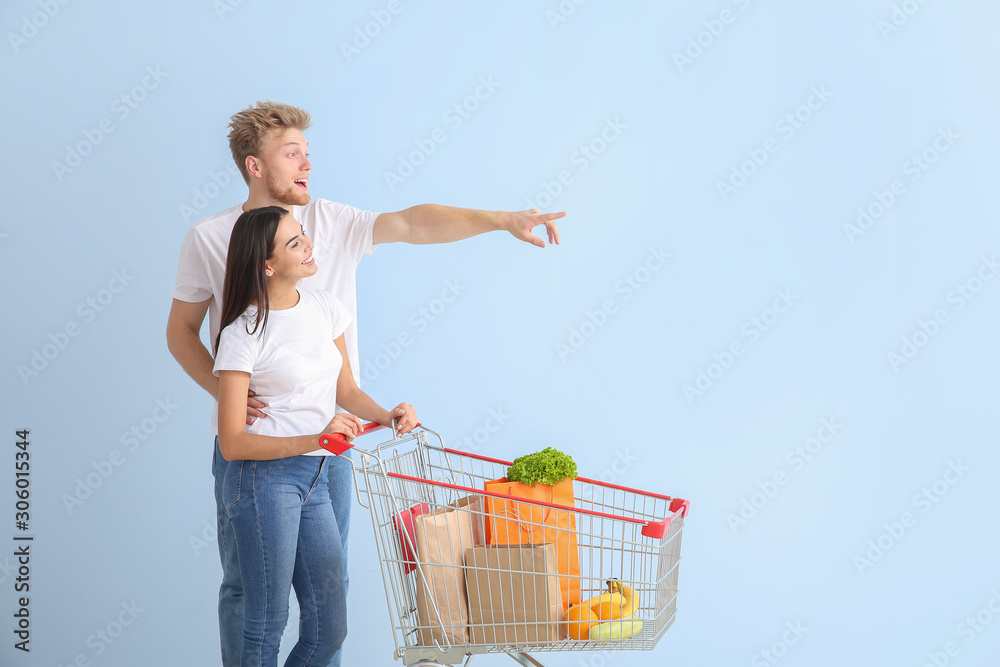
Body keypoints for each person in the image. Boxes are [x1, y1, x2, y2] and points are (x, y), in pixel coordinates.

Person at [166, 100, 565, 667]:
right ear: (255, 166)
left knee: (330, 601)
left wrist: (500, 220)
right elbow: (181, 331)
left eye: (308, 152)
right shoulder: (209, 238)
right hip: (256, 457)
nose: (307, 164)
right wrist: (231, 394)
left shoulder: (329, 225)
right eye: (292, 153)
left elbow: (411, 222)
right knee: (250, 597)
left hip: (332, 445)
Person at [213, 205, 416, 666]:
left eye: (303, 236)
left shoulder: (325, 307)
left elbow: (345, 389)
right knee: (265, 627)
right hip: (264, 482)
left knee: (329, 629)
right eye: (294, 244)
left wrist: (388, 415)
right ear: (267, 265)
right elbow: (232, 442)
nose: (309, 247)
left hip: (317, 477)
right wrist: (313, 440)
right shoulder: (242, 334)